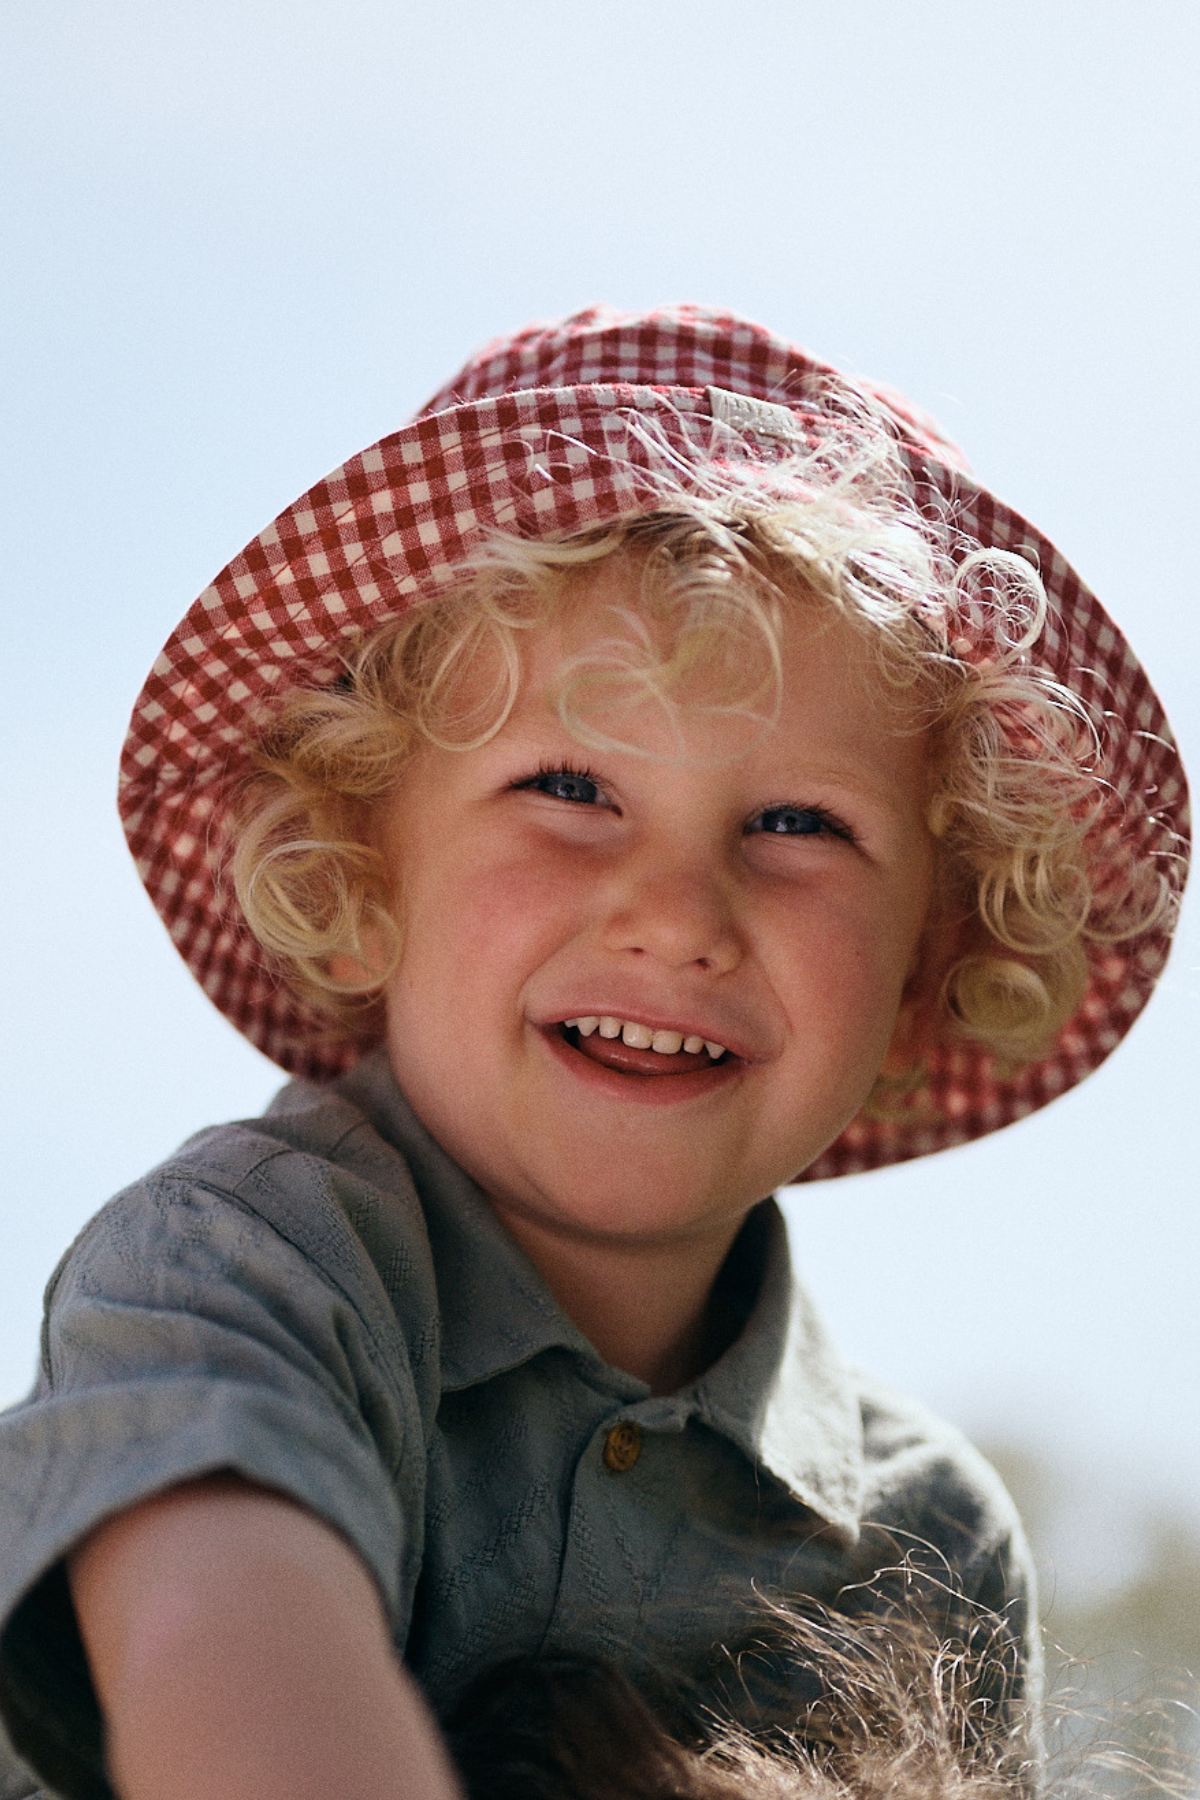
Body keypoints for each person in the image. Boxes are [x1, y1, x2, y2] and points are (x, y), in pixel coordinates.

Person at [0, 305, 1187, 1800]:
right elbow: (222, 1674)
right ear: (365, 865)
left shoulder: (926, 1541)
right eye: (569, 786)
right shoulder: (246, 1272)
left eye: (798, 824)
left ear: (927, 966)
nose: (680, 912)